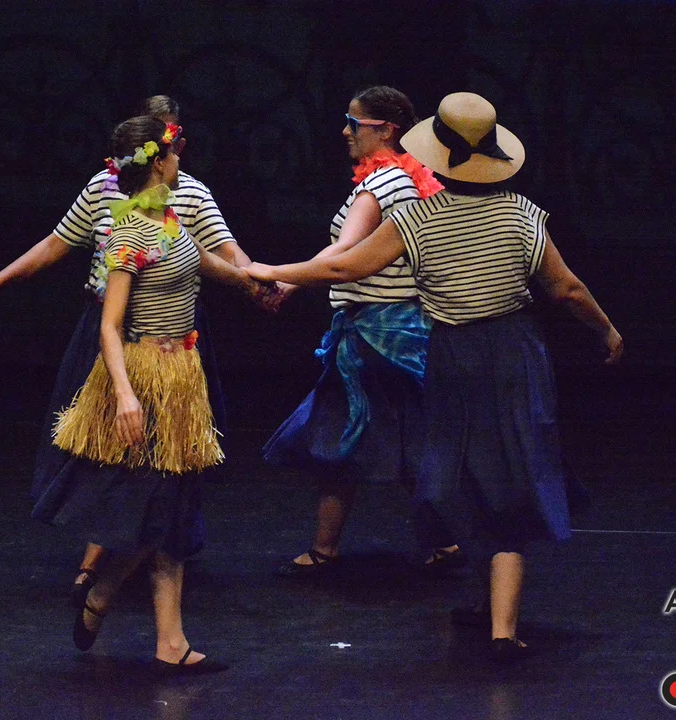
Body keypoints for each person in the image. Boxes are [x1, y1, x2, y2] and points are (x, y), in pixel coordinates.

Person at [247, 92, 623, 660]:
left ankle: (501, 627)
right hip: (509, 353)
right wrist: (606, 330)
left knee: (471, 474)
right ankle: (496, 617)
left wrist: (271, 269)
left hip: (453, 353)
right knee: (495, 474)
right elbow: (566, 288)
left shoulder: (418, 218)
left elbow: (345, 264)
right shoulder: (520, 212)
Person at [0, 96, 269, 607]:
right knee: (111, 448)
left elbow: (222, 252)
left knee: (164, 461)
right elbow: (57, 244)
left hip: (173, 339)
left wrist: (258, 281)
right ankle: (99, 562)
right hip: (112, 331)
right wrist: (0, 279)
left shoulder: (185, 200)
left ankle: (142, 568)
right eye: (165, 142)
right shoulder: (112, 203)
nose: (175, 150)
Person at [54, 115, 250, 673]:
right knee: (158, 506)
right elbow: (109, 326)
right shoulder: (127, 234)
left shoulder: (168, 219)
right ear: (159, 163)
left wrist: (255, 280)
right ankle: (112, 602)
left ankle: (164, 638)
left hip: (182, 376)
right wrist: (125, 396)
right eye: (174, 153)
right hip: (145, 376)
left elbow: (204, 262)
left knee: (174, 508)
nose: (180, 158)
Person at [262, 86, 460, 576]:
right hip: (405, 332)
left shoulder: (382, 184)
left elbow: (345, 254)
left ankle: (330, 548)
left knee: (346, 436)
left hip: (375, 337)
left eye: (354, 123)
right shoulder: (413, 180)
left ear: (386, 130)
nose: (345, 131)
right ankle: (442, 541)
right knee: (404, 437)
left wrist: (280, 278)